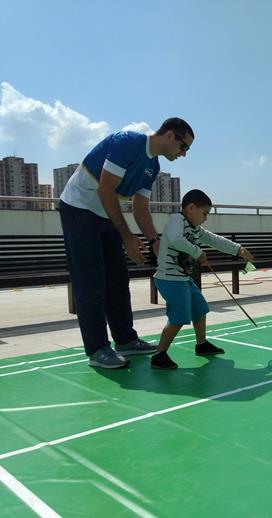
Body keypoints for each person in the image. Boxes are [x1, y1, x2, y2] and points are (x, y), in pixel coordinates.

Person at [59, 117, 194, 368]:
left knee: (118, 280)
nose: (184, 154)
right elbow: (105, 190)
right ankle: (98, 349)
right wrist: (128, 237)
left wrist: (154, 240)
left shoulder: (152, 167)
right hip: (78, 209)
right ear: (170, 136)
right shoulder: (127, 142)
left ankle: (125, 340)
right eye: (184, 146)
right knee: (91, 282)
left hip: (106, 214)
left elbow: (140, 207)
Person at [152, 189, 254, 370]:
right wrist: (198, 252)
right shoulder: (176, 220)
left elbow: (214, 239)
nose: (205, 218)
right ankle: (159, 355)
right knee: (177, 318)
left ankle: (201, 345)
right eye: (204, 213)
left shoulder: (196, 229)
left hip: (182, 279)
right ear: (191, 208)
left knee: (199, 308)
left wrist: (238, 249)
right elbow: (175, 239)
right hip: (170, 278)